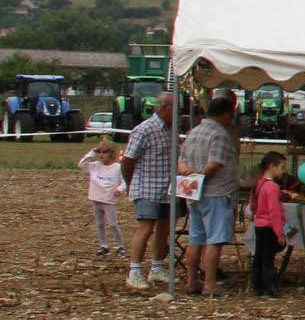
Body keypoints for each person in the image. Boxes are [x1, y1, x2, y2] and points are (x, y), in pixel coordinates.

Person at [177, 95, 240, 297]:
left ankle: (192, 281)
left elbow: (181, 160)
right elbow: (214, 163)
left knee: (196, 237)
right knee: (215, 239)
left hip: (194, 194)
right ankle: (210, 283)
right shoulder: (220, 134)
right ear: (226, 113)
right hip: (216, 192)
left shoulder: (194, 132)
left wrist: (188, 175)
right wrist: (199, 177)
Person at [121, 95, 175, 290]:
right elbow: (128, 160)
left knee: (164, 228)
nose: (179, 113)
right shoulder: (143, 129)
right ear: (165, 107)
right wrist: (130, 183)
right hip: (147, 187)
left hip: (167, 188)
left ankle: (157, 267)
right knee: (146, 228)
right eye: (176, 108)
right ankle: (134, 271)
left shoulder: (172, 129)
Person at [249, 151, 287, 298]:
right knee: (268, 259)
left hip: (259, 225)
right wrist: (280, 232)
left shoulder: (258, 184)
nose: (283, 171)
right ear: (272, 166)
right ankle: (269, 288)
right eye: (281, 167)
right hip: (269, 226)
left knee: (259, 257)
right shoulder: (272, 187)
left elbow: (253, 205)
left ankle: (257, 286)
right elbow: (274, 212)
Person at [78, 140, 125, 257]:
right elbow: (82, 164)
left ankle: (120, 246)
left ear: (112, 153)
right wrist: (92, 152)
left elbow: (125, 181)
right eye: (100, 152)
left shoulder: (117, 167)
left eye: (105, 152)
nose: (101, 155)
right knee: (100, 224)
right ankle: (104, 246)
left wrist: (120, 189)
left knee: (113, 224)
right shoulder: (94, 166)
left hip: (109, 200)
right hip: (96, 199)